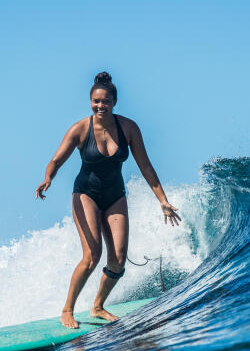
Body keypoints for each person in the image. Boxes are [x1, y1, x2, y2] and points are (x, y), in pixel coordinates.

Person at [35, 72, 181, 328]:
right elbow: (56, 160)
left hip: (115, 195)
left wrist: (163, 200)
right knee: (92, 255)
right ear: (90, 101)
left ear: (114, 102)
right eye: (96, 101)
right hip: (86, 195)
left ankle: (98, 306)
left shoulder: (128, 128)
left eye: (105, 101)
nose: (100, 106)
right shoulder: (81, 129)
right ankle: (67, 309)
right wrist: (48, 178)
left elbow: (146, 166)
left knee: (118, 259)